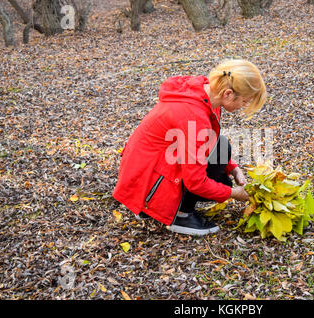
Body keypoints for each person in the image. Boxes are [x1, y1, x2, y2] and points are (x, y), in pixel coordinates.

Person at [112, 59, 267, 236]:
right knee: (221, 162)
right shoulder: (193, 116)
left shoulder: (205, 92)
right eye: (245, 102)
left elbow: (205, 143)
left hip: (148, 170)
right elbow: (196, 182)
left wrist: (234, 169)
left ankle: (152, 207)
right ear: (228, 94)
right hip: (146, 182)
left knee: (222, 165)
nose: (243, 107)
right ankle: (181, 215)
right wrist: (234, 193)